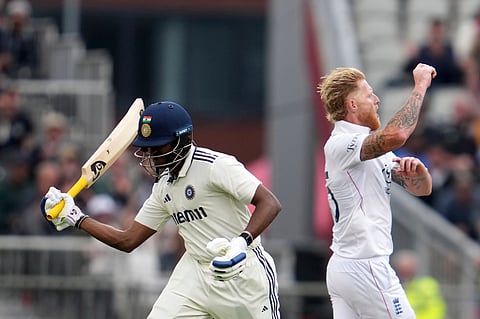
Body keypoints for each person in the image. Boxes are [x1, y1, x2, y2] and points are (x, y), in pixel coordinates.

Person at [40, 101, 282, 319]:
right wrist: (76, 217)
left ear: (182, 140)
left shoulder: (216, 166)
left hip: (242, 272)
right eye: (147, 149)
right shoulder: (163, 187)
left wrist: (240, 243)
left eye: (157, 148)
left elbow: (270, 203)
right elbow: (128, 240)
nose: (151, 156)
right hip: (195, 274)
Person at [317, 62, 436, 318]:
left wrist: (419, 173)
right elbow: (398, 135)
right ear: (353, 105)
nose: (377, 99)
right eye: (369, 94)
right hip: (365, 264)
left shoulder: (368, 148)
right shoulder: (342, 143)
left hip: (346, 266)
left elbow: (421, 190)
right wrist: (420, 86)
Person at [392, 249, 447, 319]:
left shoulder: (427, 284)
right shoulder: (394, 287)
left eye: (407, 269)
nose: (405, 274)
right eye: (402, 270)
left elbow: (437, 309)